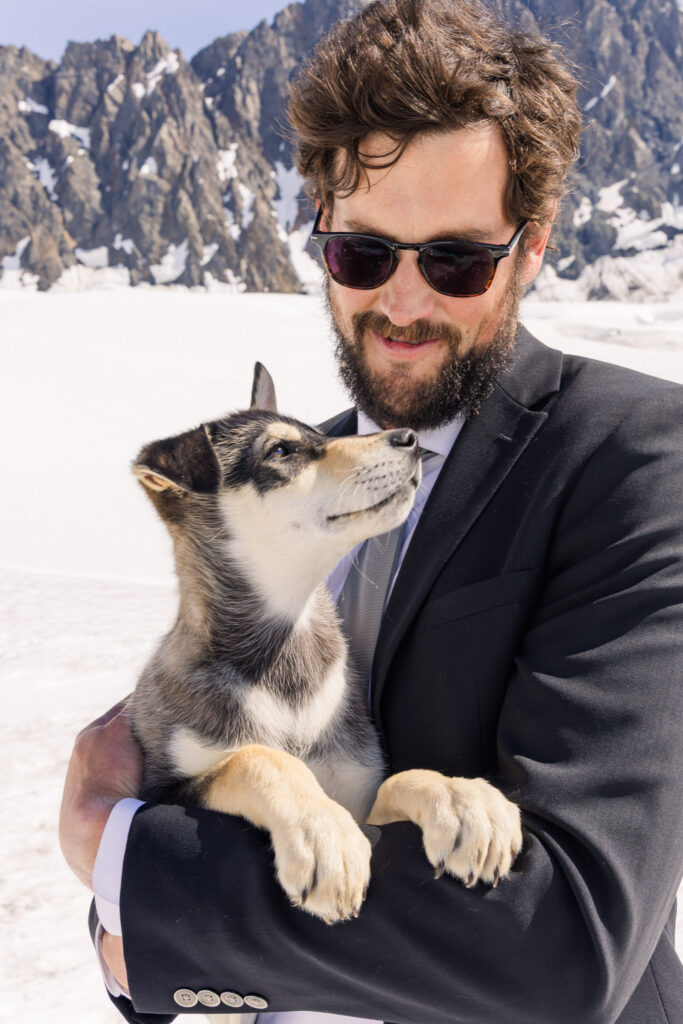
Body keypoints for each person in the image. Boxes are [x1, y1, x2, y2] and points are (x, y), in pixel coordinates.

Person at [59, 1, 683, 1022]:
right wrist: (144, 939)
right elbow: (189, 814)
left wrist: (133, 864)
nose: (399, 304)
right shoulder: (291, 487)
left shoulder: (632, 456)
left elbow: (562, 943)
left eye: (453, 260)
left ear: (530, 248)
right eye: (361, 255)